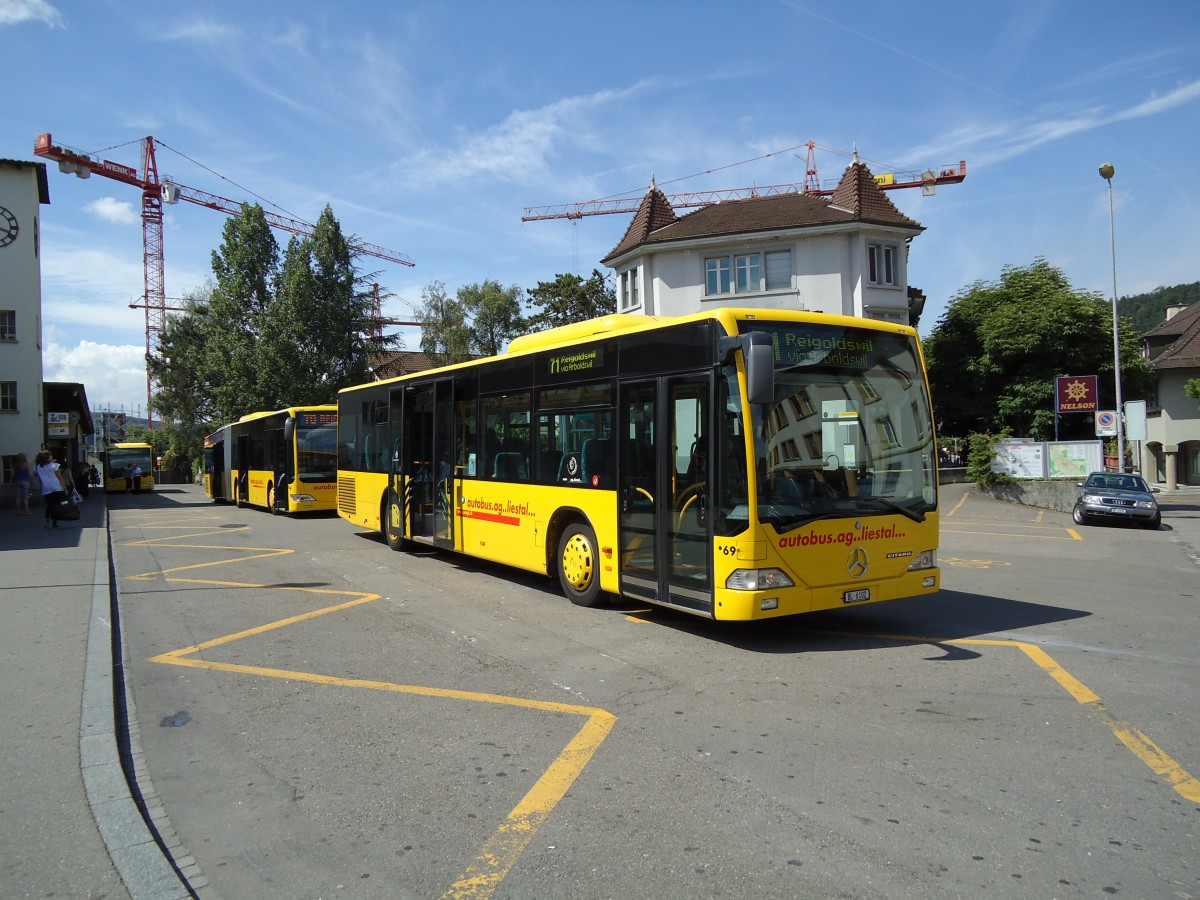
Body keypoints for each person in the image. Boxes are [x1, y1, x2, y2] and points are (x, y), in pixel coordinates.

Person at [34, 449, 69, 528]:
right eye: (50, 456)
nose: (51, 457)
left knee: (49, 505)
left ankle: (47, 519)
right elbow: (60, 477)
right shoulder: (54, 465)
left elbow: (36, 476)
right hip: (56, 487)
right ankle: (54, 523)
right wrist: (65, 488)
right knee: (57, 505)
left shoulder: (37, 467)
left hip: (46, 488)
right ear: (48, 457)